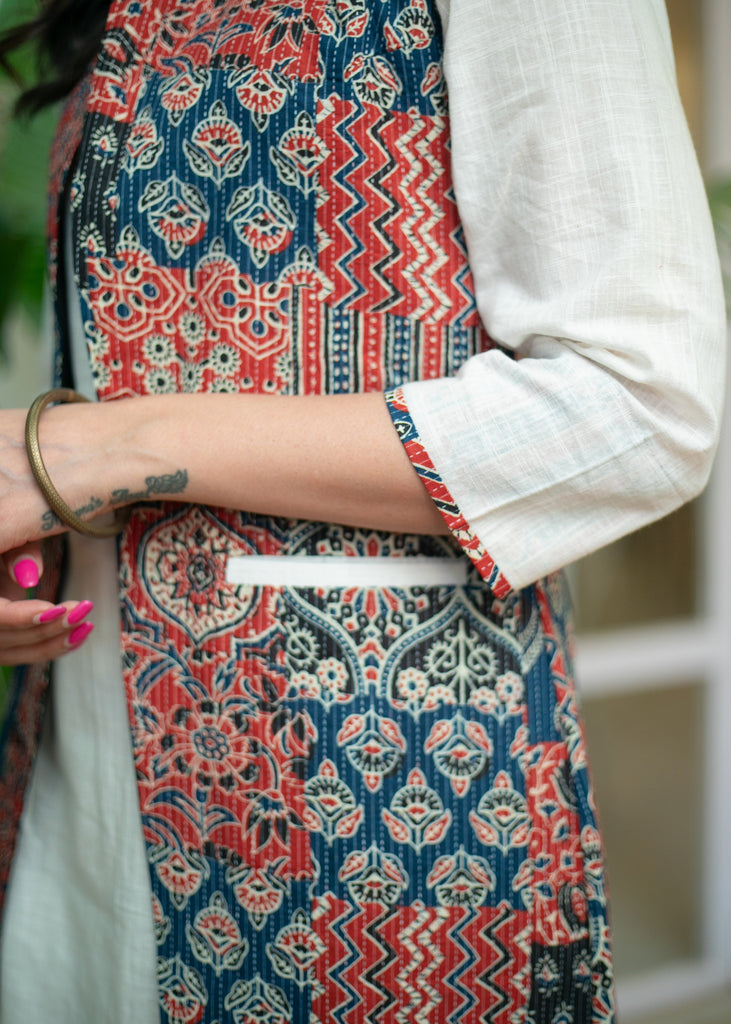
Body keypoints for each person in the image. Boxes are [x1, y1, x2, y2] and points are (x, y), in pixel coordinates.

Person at [0, 0, 724, 1020]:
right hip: (74, 804)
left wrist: (91, 452)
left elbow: (639, 401)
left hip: (367, 840)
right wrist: (44, 522)